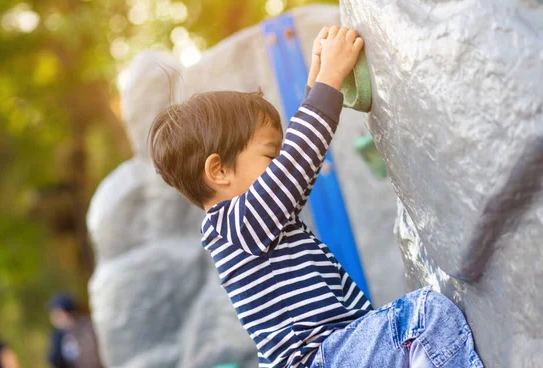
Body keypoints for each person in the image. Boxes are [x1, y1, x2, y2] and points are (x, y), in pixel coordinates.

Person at [148, 25, 484, 368]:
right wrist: (330, 81)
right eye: (270, 156)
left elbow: (299, 173)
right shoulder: (236, 225)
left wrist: (317, 86)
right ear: (219, 171)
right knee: (423, 317)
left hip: (335, 352)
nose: (281, 164)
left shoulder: (255, 224)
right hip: (320, 358)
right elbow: (296, 164)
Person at [47, 294, 103, 368]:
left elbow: (91, 360)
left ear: (69, 313)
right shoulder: (58, 334)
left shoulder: (87, 329)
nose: (53, 318)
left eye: (57, 314)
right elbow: (54, 360)